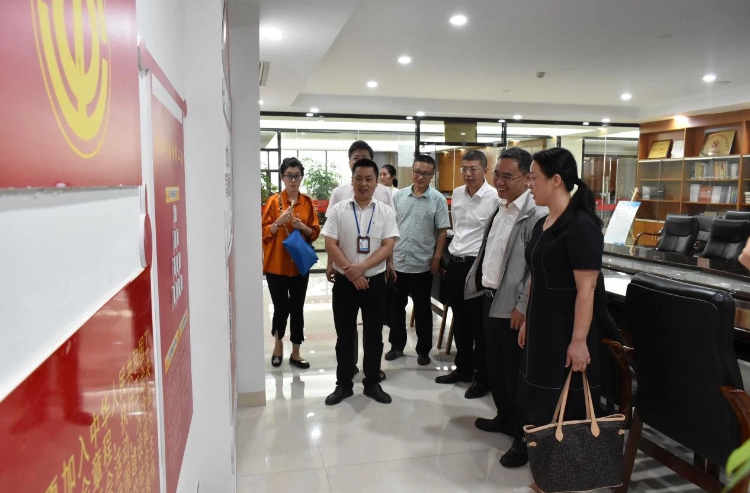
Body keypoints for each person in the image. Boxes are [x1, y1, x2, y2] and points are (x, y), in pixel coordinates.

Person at [515, 147, 603, 493]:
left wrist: (579, 341)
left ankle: (567, 478)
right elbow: (536, 276)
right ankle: (550, 475)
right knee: (541, 402)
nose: (529, 184)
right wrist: (527, 319)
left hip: (566, 329)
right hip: (541, 327)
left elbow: (587, 289)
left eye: (533, 177)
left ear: (555, 180)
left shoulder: (581, 226)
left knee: (566, 405)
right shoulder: (544, 222)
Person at [464, 147, 547, 468]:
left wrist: (523, 307)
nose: (499, 181)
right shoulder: (501, 207)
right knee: (495, 367)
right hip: (489, 299)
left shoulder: (535, 215)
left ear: (527, 179)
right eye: (497, 174)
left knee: (515, 374)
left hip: (512, 307)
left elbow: (534, 270)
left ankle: (523, 439)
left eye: (507, 176)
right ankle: (504, 418)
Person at [321, 159, 399, 405]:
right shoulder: (338, 209)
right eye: (359, 178)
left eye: (369, 179)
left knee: (374, 335)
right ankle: (343, 385)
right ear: (352, 180)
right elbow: (330, 243)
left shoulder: (385, 211)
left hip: (375, 282)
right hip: (345, 283)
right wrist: (351, 272)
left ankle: (372, 383)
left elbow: (388, 245)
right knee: (344, 335)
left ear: (377, 182)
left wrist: (361, 269)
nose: (363, 184)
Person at [435, 150, 499, 398]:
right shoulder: (458, 193)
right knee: (459, 320)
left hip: (477, 265)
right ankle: (463, 369)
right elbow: (458, 229)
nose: (468, 174)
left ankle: (482, 378)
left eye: (473, 169)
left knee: (477, 325)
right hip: (456, 263)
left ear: (485, 170)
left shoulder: (494, 197)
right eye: (464, 169)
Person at [386, 155, 450, 365]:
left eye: (425, 174)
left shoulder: (437, 199)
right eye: (417, 172)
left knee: (423, 309)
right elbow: (390, 228)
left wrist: (437, 258)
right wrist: (389, 259)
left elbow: (442, 231)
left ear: (432, 175)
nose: (420, 177)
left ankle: (423, 350)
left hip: (422, 264)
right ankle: (397, 346)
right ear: (411, 171)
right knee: (396, 308)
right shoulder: (399, 197)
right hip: (398, 262)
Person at [261, 157, 321, 369]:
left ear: (301, 177)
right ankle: (278, 345)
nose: (293, 180)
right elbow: (264, 233)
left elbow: (314, 233)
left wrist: (302, 227)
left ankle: (296, 352)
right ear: (282, 177)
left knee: (297, 308)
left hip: (299, 265)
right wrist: (279, 222)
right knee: (280, 308)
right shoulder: (273, 202)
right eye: (289, 176)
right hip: (276, 265)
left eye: (297, 176)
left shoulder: (307, 202)